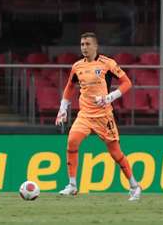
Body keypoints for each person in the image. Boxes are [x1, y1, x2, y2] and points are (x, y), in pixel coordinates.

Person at [55, 32, 141, 201]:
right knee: (72, 140)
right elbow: (69, 87)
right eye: (81, 44)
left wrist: (110, 97)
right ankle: (72, 185)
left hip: (104, 116)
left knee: (116, 153)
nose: (84, 48)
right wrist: (62, 108)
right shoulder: (77, 66)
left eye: (87, 44)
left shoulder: (108, 63)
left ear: (95, 46)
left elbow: (127, 83)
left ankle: (134, 186)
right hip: (85, 114)